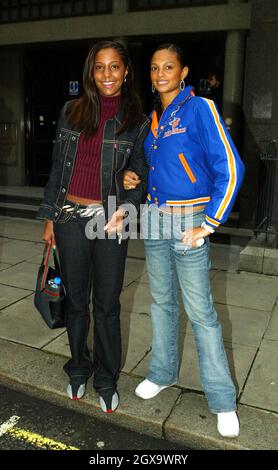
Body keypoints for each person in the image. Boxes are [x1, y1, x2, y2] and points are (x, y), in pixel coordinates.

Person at [123, 43, 245, 437]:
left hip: (190, 220)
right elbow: (158, 167)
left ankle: (222, 400)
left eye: (168, 67)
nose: (160, 73)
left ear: (183, 72)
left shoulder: (199, 108)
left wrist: (210, 222)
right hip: (155, 219)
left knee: (201, 312)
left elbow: (230, 165)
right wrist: (134, 178)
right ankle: (161, 373)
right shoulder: (153, 117)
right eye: (155, 67)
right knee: (161, 303)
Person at [37, 40, 149, 413]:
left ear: (126, 70)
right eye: (99, 67)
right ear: (91, 71)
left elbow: (143, 174)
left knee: (106, 304)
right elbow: (58, 168)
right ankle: (78, 369)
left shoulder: (138, 119)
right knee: (75, 304)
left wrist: (132, 192)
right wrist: (51, 217)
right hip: (69, 217)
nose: (106, 74)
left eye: (114, 67)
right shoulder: (71, 110)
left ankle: (106, 379)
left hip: (112, 218)